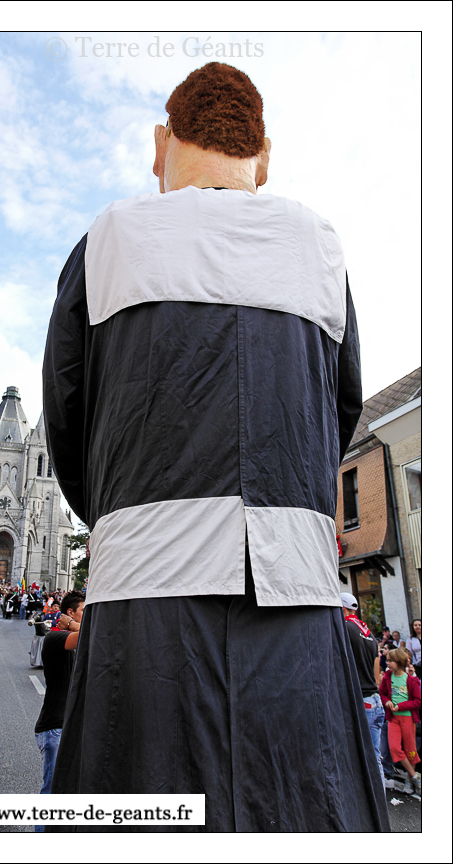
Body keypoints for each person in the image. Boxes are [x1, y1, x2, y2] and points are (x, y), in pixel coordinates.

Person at [42, 62, 389, 832]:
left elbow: (67, 416)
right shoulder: (319, 247)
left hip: (144, 607)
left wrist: (124, 517)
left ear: (159, 143)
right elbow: (338, 410)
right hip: (292, 598)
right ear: (263, 156)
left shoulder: (109, 239)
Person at [33, 591, 84, 832]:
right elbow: (91, 634)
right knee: (52, 791)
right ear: (70, 613)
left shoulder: (69, 640)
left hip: (66, 725)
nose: (87, 616)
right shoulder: (54, 637)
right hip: (54, 727)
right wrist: (72, 624)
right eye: (83, 611)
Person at [340, 592, 385, 785]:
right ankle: (380, 798)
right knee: (374, 756)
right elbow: (377, 674)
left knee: (355, 756)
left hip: (362, 701)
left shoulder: (345, 627)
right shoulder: (369, 634)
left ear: (342, 609)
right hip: (375, 700)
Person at [379, 648, 421, 796]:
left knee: (411, 750)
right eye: (388, 660)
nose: (387, 663)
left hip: (408, 718)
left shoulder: (411, 680)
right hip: (393, 719)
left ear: (399, 662)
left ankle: (410, 780)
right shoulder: (387, 677)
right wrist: (387, 701)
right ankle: (415, 777)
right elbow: (382, 693)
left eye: (390, 661)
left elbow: (418, 701)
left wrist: (400, 706)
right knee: (394, 748)